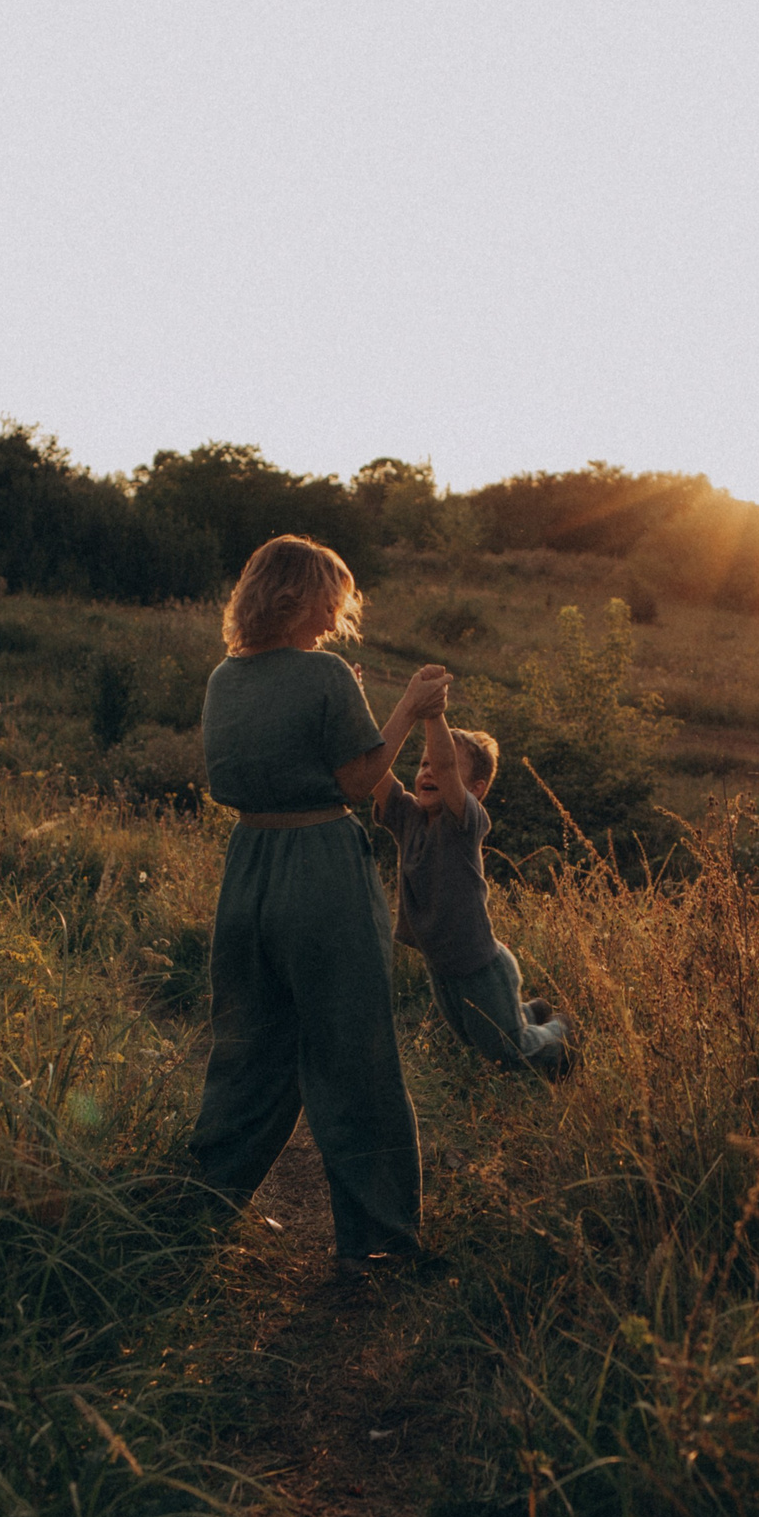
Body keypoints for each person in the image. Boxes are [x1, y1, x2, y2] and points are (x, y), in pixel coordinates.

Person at [189, 534, 452, 1279]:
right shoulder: (326, 676)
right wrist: (404, 709)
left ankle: (197, 1210)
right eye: (330, 600)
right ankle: (378, 1243)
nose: (336, 617)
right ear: (300, 596)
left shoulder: (222, 680)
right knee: (354, 1051)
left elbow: (229, 777)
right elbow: (358, 781)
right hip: (318, 868)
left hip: (246, 868)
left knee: (247, 1053)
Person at [371, 706, 574, 1074]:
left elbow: (448, 769)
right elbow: (374, 771)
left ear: (476, 790)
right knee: (471, 1037)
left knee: (507, 1052)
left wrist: (433, 713)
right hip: (442, 964)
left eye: (439, 764)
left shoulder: (464, 823)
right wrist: (356, 702)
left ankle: (561, 1033)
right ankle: (529, 1013)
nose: (428, 770)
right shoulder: (409, 818)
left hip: (481, 966)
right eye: (422, 764)